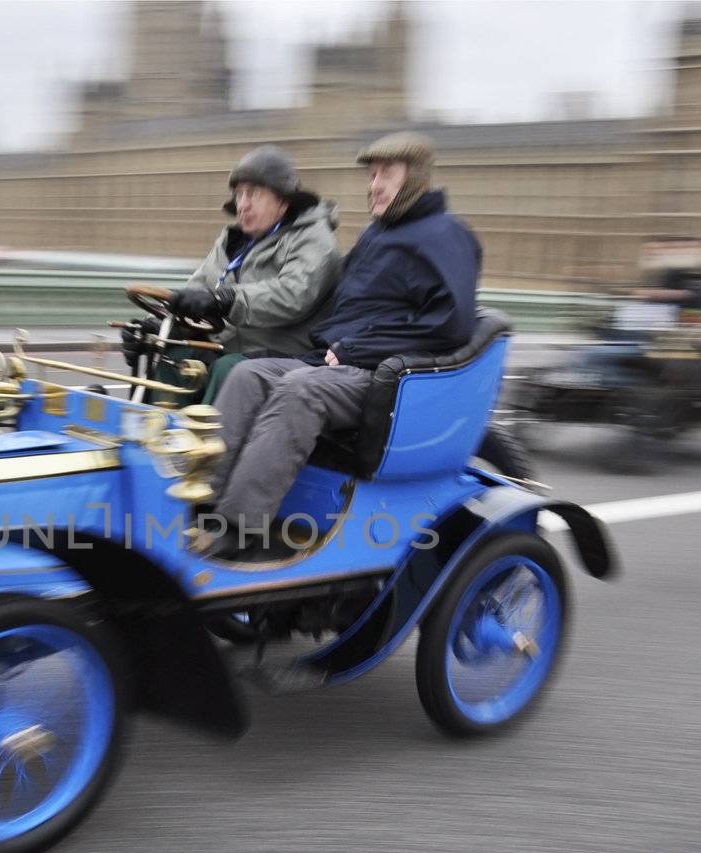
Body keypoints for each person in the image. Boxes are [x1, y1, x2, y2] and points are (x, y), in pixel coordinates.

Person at [201, 131, 482, 555]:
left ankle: (237, 527)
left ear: (416, 179)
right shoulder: (377, 235)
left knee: (301, 390)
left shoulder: (445, 235)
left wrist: (358, 349)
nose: (374, 185)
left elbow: (450, 325)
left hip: (388, 377)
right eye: (372, 175)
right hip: (336, 361)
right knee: (248, 373)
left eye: (386, 174)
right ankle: (200, 501)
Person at [122, 145, 341, 404]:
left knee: (229, 369)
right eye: (239, 195)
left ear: (283, 203)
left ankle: (205, 440)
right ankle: (155, 430)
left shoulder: (314, 238)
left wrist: (226, 300)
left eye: (254, 195)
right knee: (172, 355)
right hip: (227, 345)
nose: (243, 205)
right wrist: (158, 324)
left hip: (284, 353)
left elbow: (292, 294)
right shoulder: (231, 242)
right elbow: (197, 289)